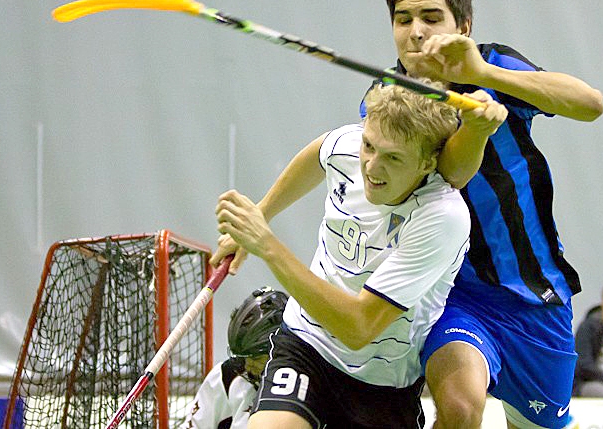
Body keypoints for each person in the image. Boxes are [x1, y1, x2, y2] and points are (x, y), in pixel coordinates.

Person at [371, 0, 603, 428]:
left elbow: (590, 104)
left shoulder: (495, 63)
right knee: (459, 407)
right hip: (454, 292)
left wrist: (486, 75)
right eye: (403, 19)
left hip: (535, 293)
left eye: (431, 18)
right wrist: (475, 128)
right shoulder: (389, 98)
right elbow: (450, 175)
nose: (415, 31)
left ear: (465, 25)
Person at [214, 83, 504, 428]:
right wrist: (262, 212)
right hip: (307, 346)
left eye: (393, 157)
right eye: (369, 146)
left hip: (381, 382)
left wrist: (266, 243)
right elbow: (320, 153)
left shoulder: (441, 218)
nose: (371, 166)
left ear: (428, 161)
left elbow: (358, 327)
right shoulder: (349, 146)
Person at [184, 286, 288, 429]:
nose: (247, 366)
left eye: (256, 358)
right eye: (244, 357)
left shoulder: (311, 383)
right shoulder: (226, 377)